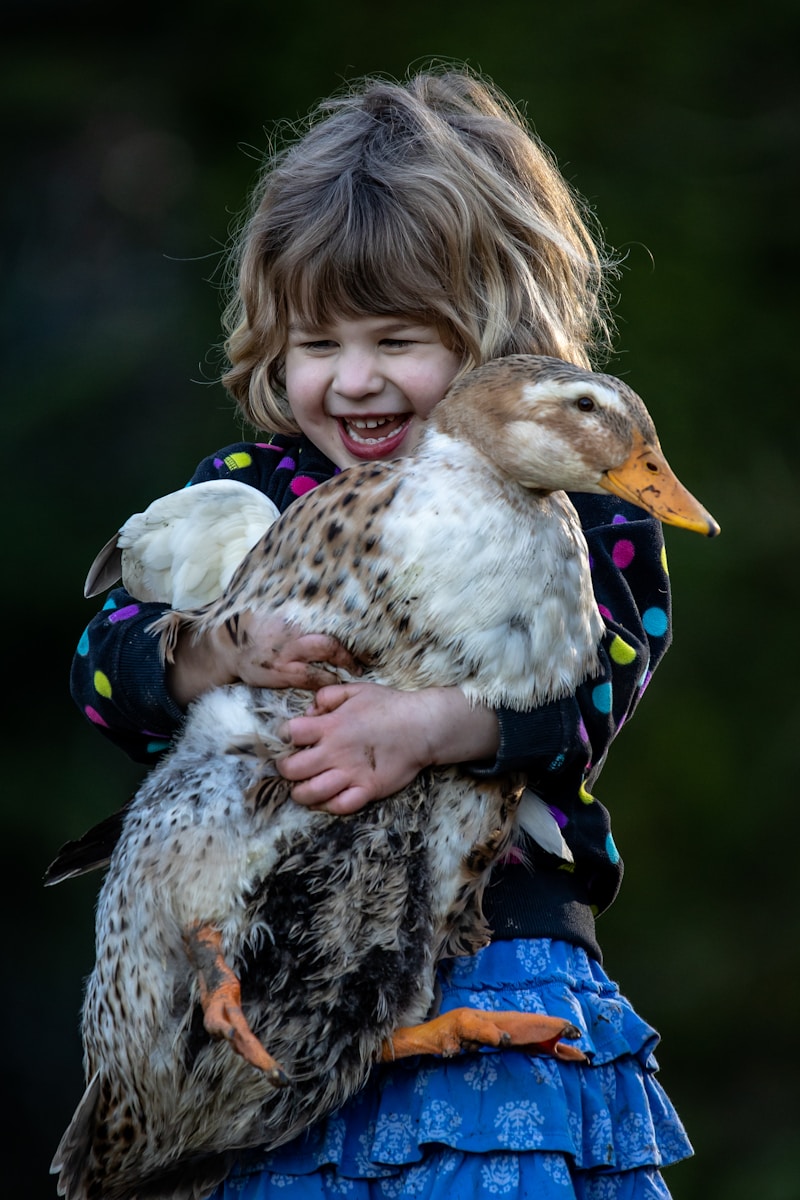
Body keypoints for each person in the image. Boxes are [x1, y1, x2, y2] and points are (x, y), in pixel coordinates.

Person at [71, 66, 693, 1199]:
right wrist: (220, 648)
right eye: (316, 345)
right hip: (269, 982)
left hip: (490, 952)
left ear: (498, 336)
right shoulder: (253, 488)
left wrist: (432, 724)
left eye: (399, 339)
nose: (353, 381)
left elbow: (597, 695)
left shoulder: (587, 504)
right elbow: (102, 676)